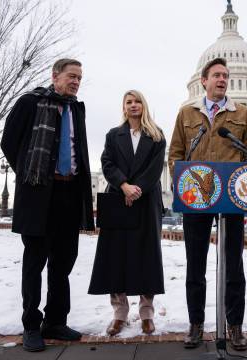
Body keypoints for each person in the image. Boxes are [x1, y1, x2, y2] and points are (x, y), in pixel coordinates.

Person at [1, 59, 94, 352]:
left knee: (62, 264)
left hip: (70, 193)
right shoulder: (30, 102)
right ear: (55, 76)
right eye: (72, 76)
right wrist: (31, 175)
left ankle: (55, 321)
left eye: (80, 78)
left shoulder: (77, 108)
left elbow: (79, 149)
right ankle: (31, 325)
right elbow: (9, 142)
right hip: (40, 195)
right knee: (34, 263)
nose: (76, 82)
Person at [168, 57, 247, 351]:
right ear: (203, 81)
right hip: (197, 196)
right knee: (195, 263)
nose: (222, 79)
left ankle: (234, 325)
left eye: (225, 76)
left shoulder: (243, 114)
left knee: (234, 264)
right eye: (216, 75)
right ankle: (196, 324)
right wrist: (184, 182)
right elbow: (175, 155)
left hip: (231, 198)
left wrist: (245, 187)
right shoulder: (186, 114)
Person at [88, 90, 166, 337]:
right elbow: (107, 163)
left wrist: (137, 189)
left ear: (144, 105)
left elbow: (155, 169)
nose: (133, 105)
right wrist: (124, 186)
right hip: (118, 199)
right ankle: (119, 313)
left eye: (138, 101)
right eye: (129, 102)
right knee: (115, 257)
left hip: (146, 200)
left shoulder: (156, 136)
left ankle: (146, 313)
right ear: (123, 107)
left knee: (147, 257)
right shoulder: (113, 135)